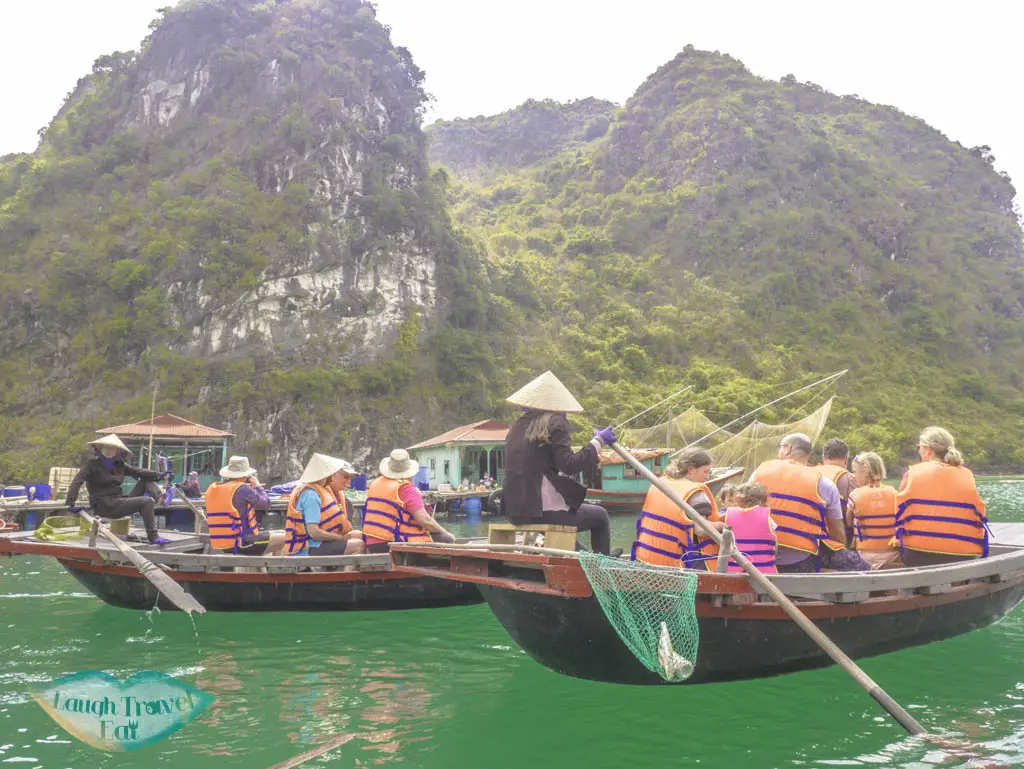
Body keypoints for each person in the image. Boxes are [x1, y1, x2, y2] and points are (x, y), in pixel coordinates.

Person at [502, 371, 616, 555]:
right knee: (600, 516)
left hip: (514, 512)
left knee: (567, 519)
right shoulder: (556, 422)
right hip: (540, 511)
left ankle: (587, 558)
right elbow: (568, 464)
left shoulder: (517, 426)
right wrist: (598, 442)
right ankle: (603, 567)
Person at [751, 433, 870, 573]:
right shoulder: (823, 483)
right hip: (799, 562)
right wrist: (842, 547)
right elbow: (837, 532)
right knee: (862, 565)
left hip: (758, 555)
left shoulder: (759, 472)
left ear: (788, 449)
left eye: (780, 448)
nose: (778, 452)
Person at [895, 426, 987, 567]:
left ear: (928, 450)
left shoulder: (911, 474)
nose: (918, 450)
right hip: (962, 555)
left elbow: (896, 512)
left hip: (916, 553)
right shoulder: (967, 475)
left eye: (919, 446)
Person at [65, 435, 171, 546]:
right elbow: (77, 481)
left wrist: (160, 475)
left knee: (145, 480)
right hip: (105, 506)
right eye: (106, 447)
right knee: (147, 501)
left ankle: (160, 498)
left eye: (112, 448)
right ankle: (153, 537)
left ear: (117, 451)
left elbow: (139, 471)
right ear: (100, 448)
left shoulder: (119, 465)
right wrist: (70, 502)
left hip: (119, 501)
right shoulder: (92, 464)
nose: (109, 451)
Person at [632, 448, 722, 568]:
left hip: (647, 557)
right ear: (691, 469)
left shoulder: (661, 483)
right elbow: (700, 530)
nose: (707, 477)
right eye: (705, 472)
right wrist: (722, 526)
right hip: (680, 563)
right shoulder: (697, 494)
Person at [362, 449, 456, 553]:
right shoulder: (407, 489)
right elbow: (426, 521)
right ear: (410, 472)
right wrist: (445, 532)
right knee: (446, 539)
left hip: (372, 543)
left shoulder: (376, 483)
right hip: (394, 543)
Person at [284, 454, 367, 556]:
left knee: (358, 536)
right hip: (306, 548)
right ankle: (345, 572)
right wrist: (340, 538)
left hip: (317, 544)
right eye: (330, 473)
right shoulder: (311, 495)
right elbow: (313, 532)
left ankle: (340, 569)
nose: (330, 477)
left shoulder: (317, 492)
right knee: (359, 545)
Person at [204, 456, 285, 555]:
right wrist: (258, 486)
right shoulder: (243, 489)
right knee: (289, 538)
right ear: (245, 476)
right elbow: (265, 503)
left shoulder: (213, 489)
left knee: (278, 534)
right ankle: (279, 569)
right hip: (244, 542)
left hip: (224, 544)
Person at [847, 452, 901, 570]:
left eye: (855, 471)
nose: (853, 475)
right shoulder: (895, 493)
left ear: (865, 473)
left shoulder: (854, 495)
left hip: (866, 555)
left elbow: (849, 522)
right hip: (892, 554)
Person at [719, 482, 777, 574]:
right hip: (763, 572)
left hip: (734, 572)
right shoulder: (768, 519)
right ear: (763, 501)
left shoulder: (727, 515)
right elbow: (775, 546)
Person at [818, 438, 855, 515]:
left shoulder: (810, 473)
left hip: (813, 525)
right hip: (840, 525)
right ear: (846, 459)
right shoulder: (850, 479)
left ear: (823, 458)